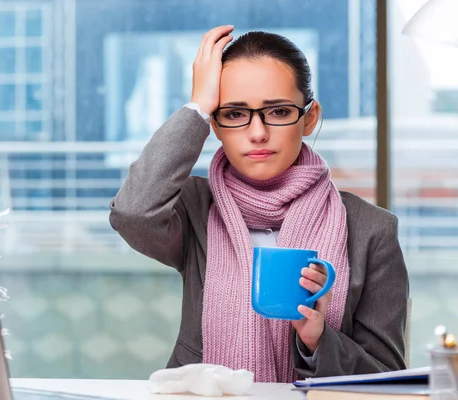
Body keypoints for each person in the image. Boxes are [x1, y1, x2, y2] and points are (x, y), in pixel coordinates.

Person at [109, 25, 409, 382]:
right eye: (234, 114)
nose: (257, 133)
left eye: (279, 111)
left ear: (309, 118)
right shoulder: (195, 208)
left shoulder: (371, 230)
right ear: (215, 125)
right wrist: (198, 106)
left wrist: (318, 341)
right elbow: (132, 213)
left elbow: (389, 380)